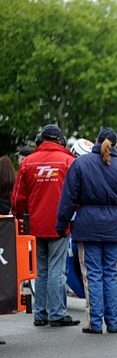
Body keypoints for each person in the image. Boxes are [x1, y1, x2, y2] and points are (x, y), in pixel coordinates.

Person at [56, 128, 117, 334]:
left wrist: (61, 224)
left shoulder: (80, 164)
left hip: (88, 225)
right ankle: (113, 322)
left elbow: (68, 199)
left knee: (92, 275)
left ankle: (95, 323)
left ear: (96, 141)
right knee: (111, 274)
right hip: (114, 226)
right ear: (115, 145)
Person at [11, 125, 80, 327]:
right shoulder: (68, 162)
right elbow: (77, 194)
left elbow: (17, 199)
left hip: (35, 225)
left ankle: (40, 314)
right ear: (60, 140)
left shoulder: (28, 162)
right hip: (59, 224)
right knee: (57, 270)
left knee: (40, 271)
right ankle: (57, 313)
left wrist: (18, 219)